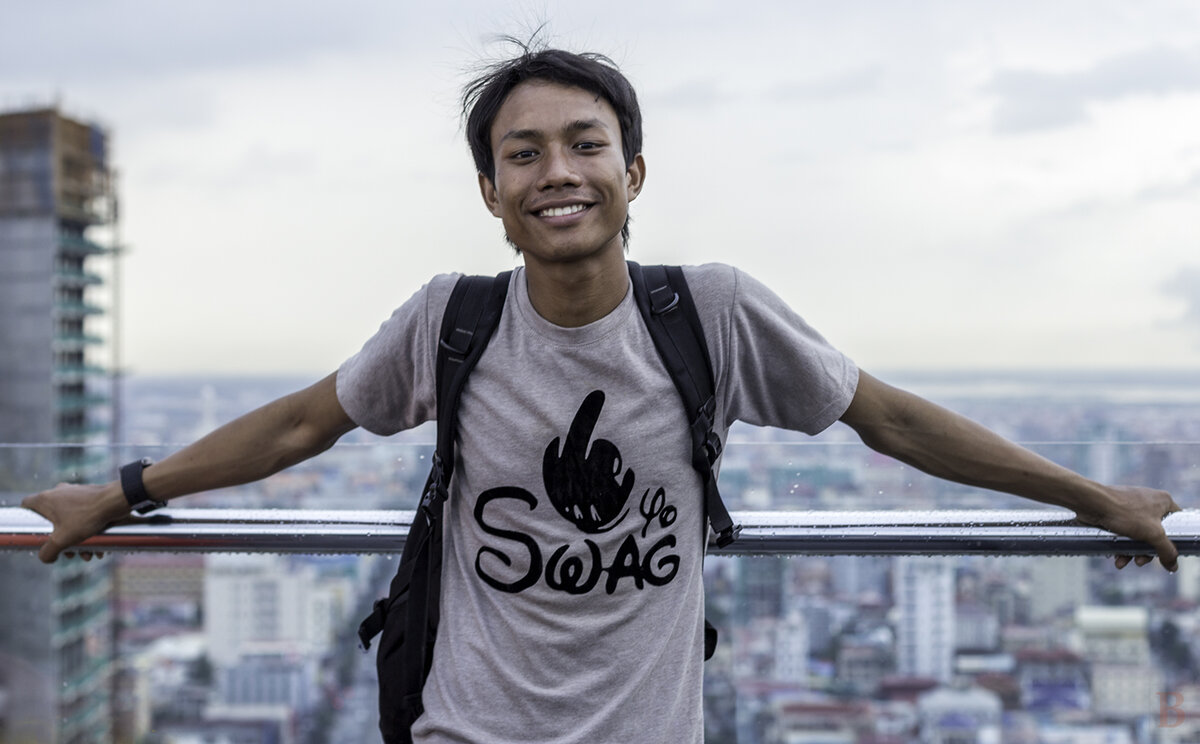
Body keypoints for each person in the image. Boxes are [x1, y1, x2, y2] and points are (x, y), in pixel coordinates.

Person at [23, 44, 1181, 744]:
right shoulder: (452, 320)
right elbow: (299, 422)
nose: (557, 173)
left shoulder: (709, 313)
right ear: (491, 192)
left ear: (633, 171)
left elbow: (890, 419)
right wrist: (119, 494)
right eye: (523, 153)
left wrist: (1094, 499)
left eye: (585, 145)